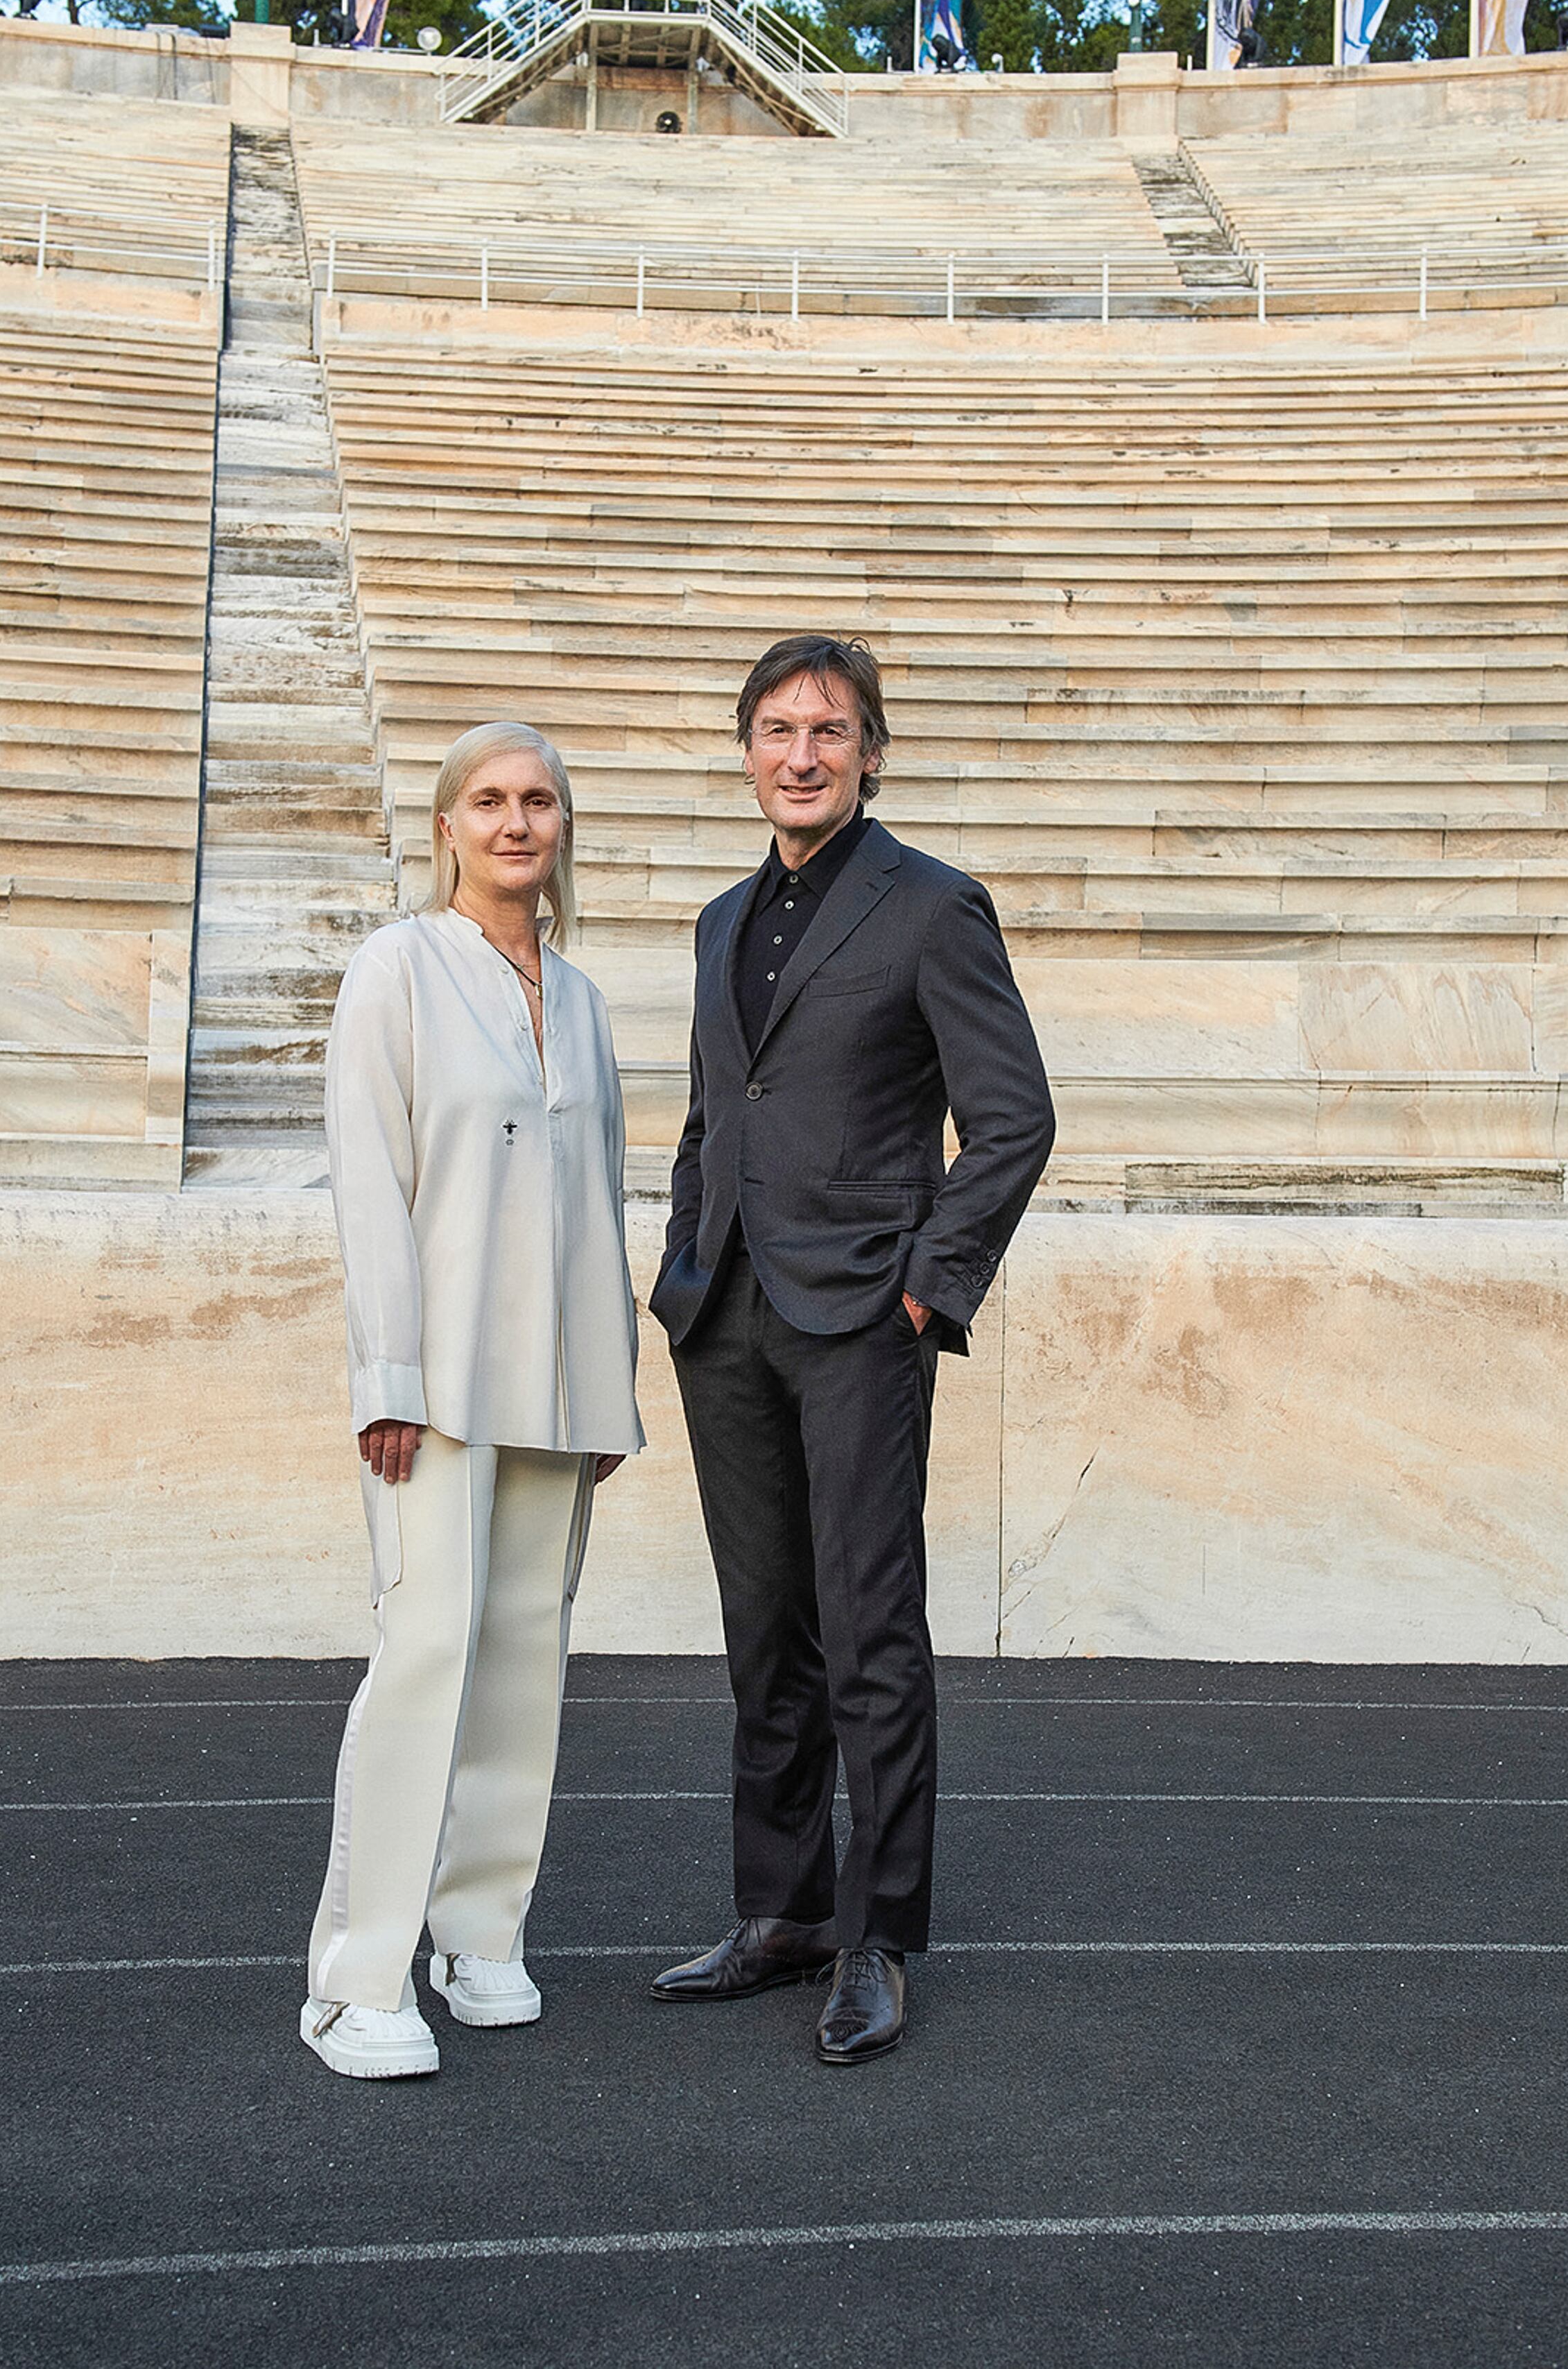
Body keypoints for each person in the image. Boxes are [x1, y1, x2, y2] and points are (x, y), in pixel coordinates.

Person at [648, 635, 1055, 2065]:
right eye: (774, 728)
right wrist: (682, 1260)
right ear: (745, 749)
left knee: (869, 1634)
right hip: (727, 1318)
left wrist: (924, 1290)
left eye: (827, 729)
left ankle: (875, 1936)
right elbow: (718, 1110)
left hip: (862, 1321)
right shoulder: (714, 921)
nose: (800, 752)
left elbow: (1011, 1121)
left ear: (870, 751)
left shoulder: (934, 907)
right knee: (766, 1633)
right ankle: (783, 1912)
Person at [303, 720, 644, 2082]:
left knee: (522, 1664)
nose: (516, 823)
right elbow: (367, 1180)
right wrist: (386, 1376)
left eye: (539, 801)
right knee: (427, 1649)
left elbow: (599, 1201)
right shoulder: (395, 970)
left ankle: (477, 1929)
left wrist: (605, 1387)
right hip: (432, 1389)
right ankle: (355, 1976)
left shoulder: (583, 997)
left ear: (563, 825)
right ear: (446, 826)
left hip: (556, 1388)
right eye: (490, 802)